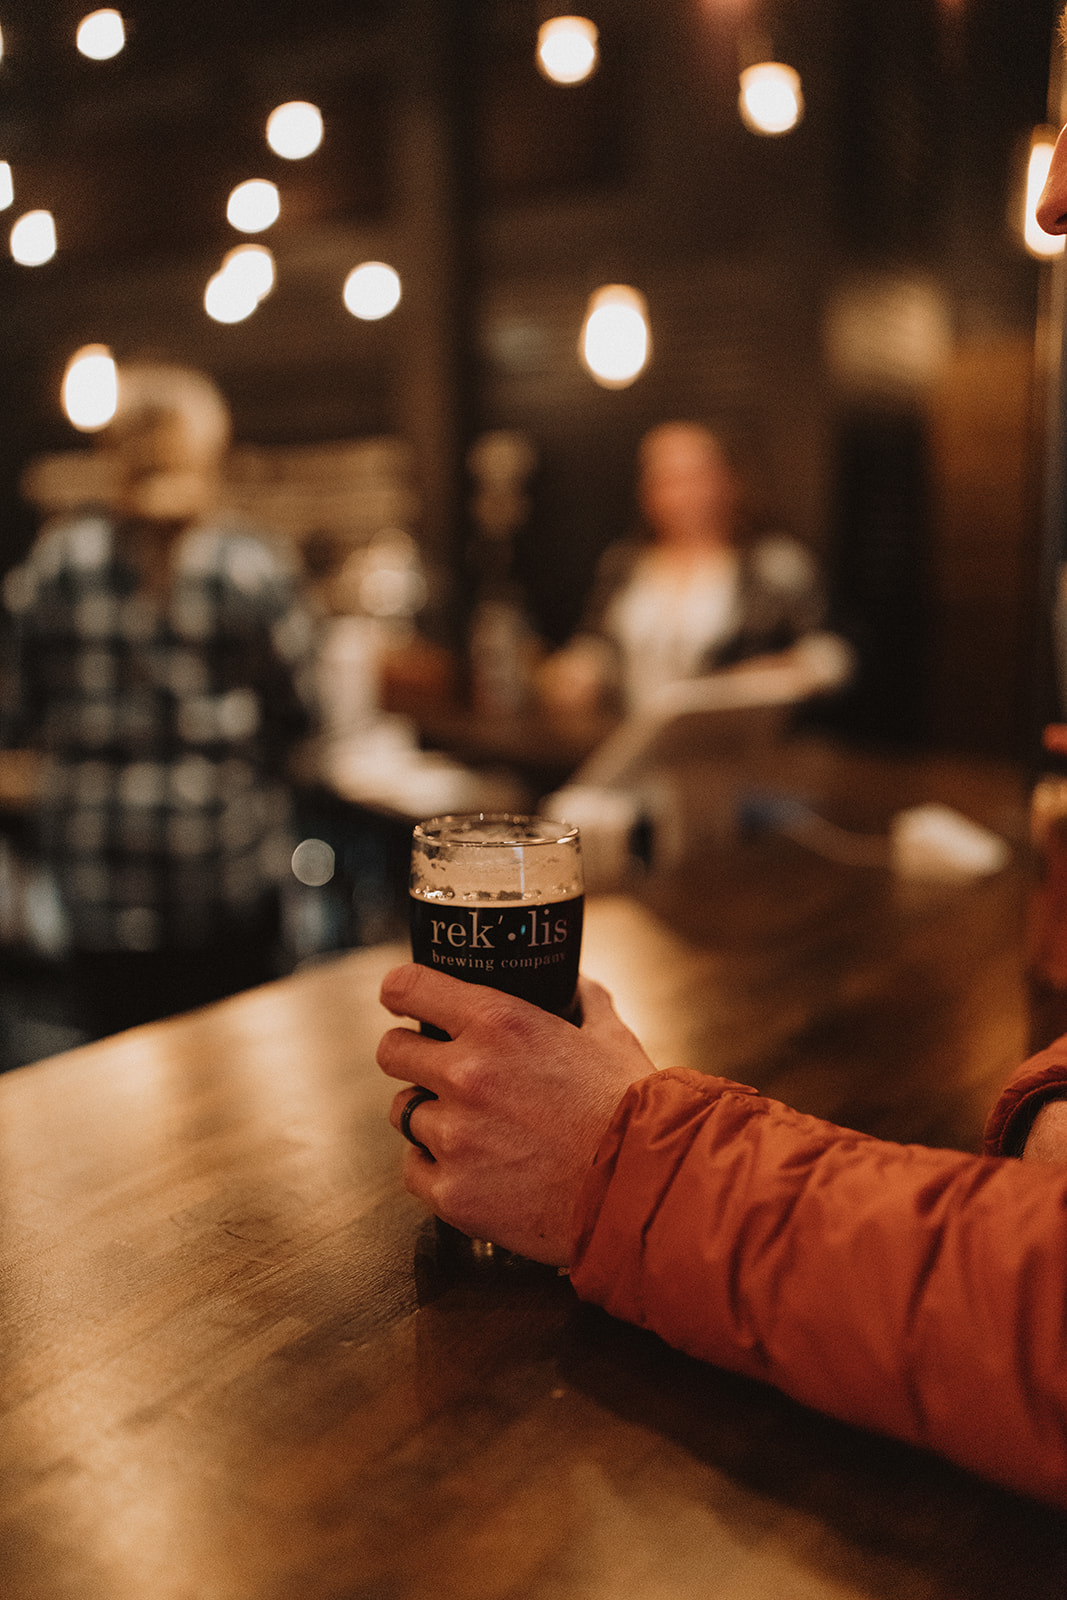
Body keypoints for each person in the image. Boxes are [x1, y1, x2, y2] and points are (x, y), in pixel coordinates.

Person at [376, 69, 1067, 1511]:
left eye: (689, 468)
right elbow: (591, 662)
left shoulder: (770, 568)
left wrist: (623, 1163)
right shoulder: (629, 568)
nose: (1048, 195)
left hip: (732, 811)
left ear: (722, 481)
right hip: (632, 809)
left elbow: (814, 667)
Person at [0, 360, 318, 1038]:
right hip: (221, 866)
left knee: (113, 1074)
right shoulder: (249, 562)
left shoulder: (59, 559)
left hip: (95, 871)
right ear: (208, 448)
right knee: (229, 1073)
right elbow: (302, 710)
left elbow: (21, 704)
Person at [536, 421, 848, 716]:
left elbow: (833, 656)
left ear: (729, 481)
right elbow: (599, 642)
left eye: (694, 477)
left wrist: (776, 675)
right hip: (639, 742)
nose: (681, 495)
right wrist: (579, 670)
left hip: (739, 752)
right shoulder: (625, 562)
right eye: (665, 480)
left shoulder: (772, 563)